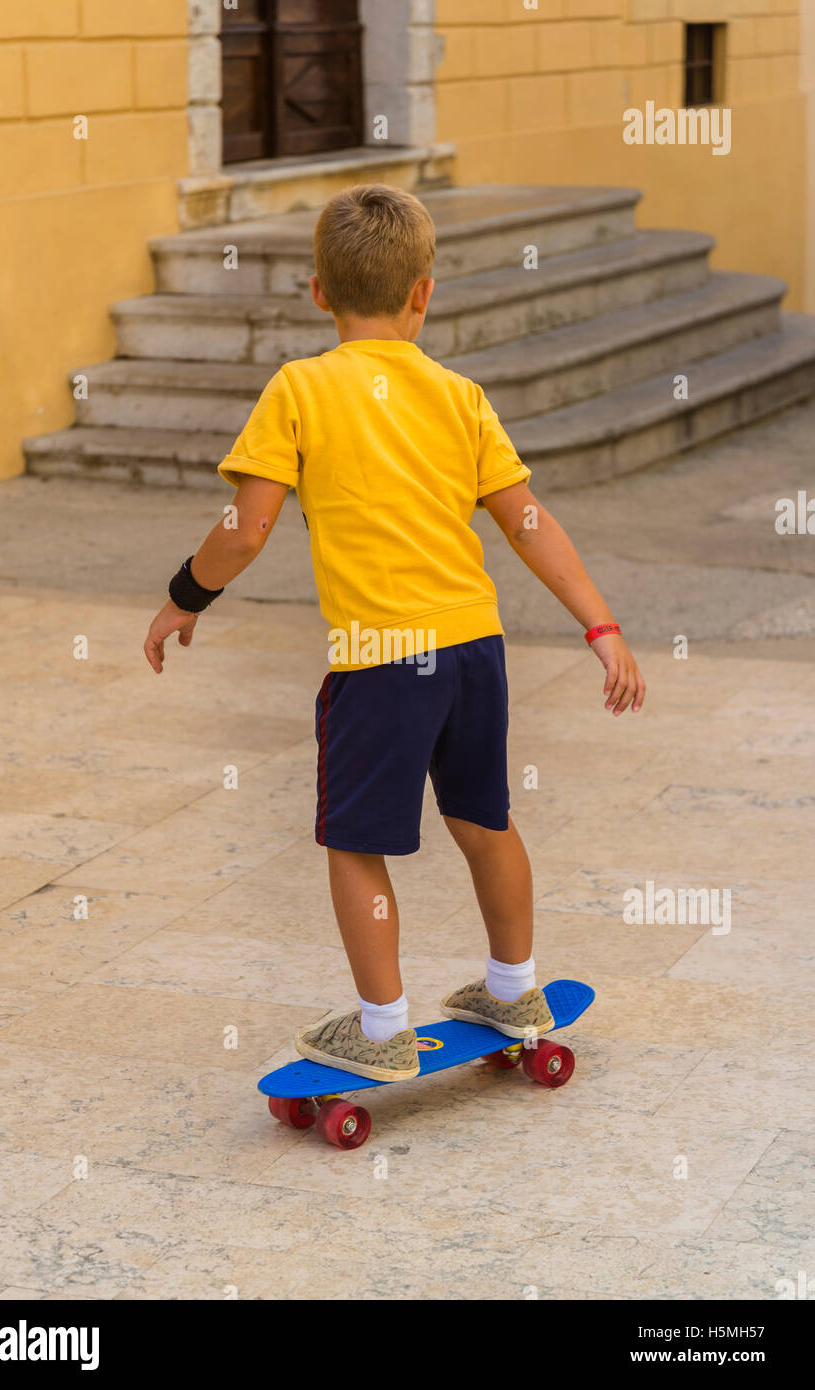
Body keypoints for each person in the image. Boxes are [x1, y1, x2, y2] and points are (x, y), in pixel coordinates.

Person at [144, 184, 646, 1084]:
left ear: (317, 293)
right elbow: (526, 520)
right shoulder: (459, 395)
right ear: (424, 292)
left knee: (356, 842)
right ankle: (514, 988)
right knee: (483, 820)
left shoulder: (300, 388)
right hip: (473, 649)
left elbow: (246, 527)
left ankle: (380, 1030)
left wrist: (186, 595)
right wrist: (598, 625)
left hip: (380, 660)